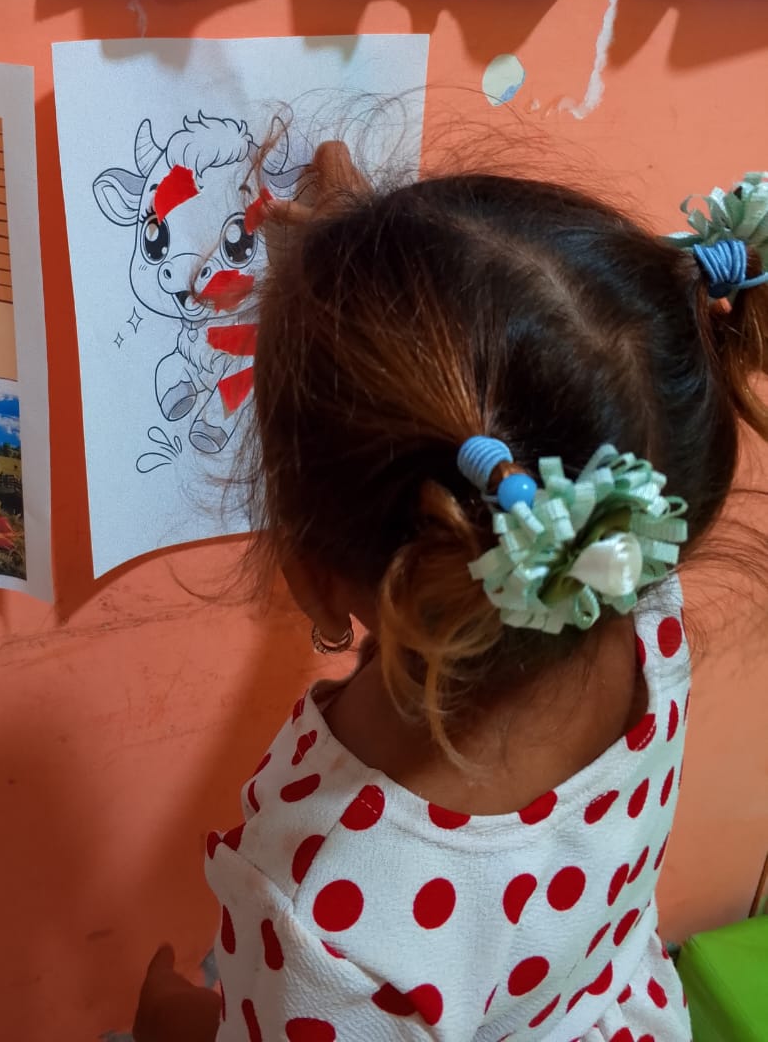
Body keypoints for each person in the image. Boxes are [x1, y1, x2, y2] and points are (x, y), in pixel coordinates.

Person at [133, 145, 768, 1041]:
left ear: (312, 583)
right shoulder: (627, 595)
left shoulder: (322, 925)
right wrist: (344, 258)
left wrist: (176, 1024)